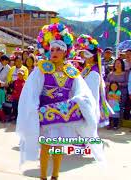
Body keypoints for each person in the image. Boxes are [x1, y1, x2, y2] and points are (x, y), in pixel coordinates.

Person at [16, 23, 105, 180]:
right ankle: (43, 176)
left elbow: (82, 92)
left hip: (61, 116)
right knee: (45, 147)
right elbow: (31, 91)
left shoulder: (71, 72)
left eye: (59, 49)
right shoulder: (42, 68)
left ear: (66, 52)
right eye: (52, 49)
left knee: (58, 148)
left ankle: (55, 176)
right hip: (45, 115)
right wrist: (33, 108)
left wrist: (78, 103)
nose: (55, 52)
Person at [75, 34, 112, 128]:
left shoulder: (93, 73)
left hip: (87, 108)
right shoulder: (88, 68)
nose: (82, 56)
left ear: (91, 56)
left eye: (84, 53)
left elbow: (93, 96)